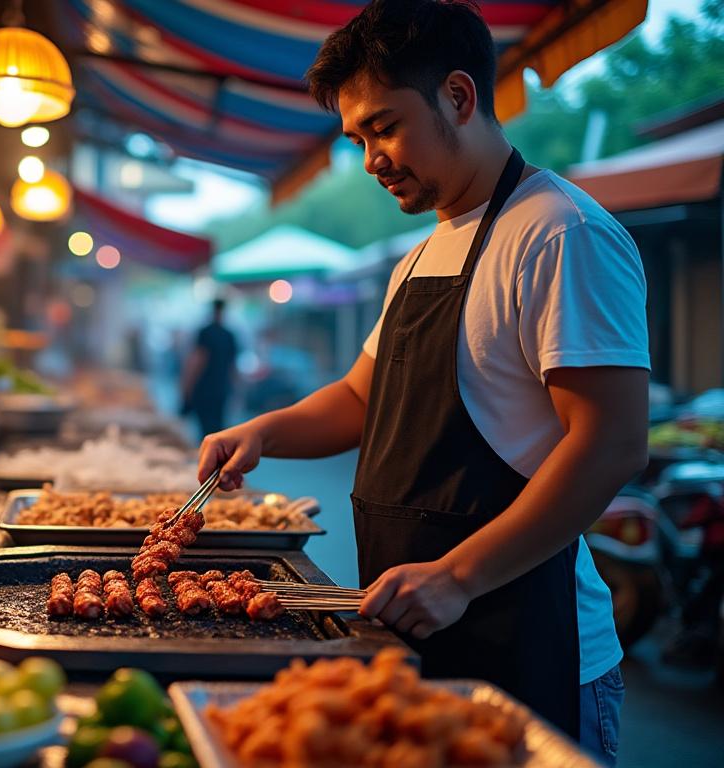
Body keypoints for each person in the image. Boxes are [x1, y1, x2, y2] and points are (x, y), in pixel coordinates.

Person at [196, 1, 646, 763]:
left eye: (384, 126)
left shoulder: (559, 233)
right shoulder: (420, 256)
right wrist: (262, 432)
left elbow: (610, 444)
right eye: (356, 139)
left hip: (529, 638)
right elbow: (358, 399)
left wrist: (460, 576)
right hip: (416, 627)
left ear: (461, 97)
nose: (371, 158)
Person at [180, 299, 239, 438]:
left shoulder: (205, 333)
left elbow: (198, 361)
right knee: (218, 429)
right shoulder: (229, 335)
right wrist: (235, 391)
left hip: (204, 389)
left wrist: (187, 386)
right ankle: (217, 457)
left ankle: (207, 457)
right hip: (221, 389)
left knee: (205, 431)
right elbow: (233, 368)